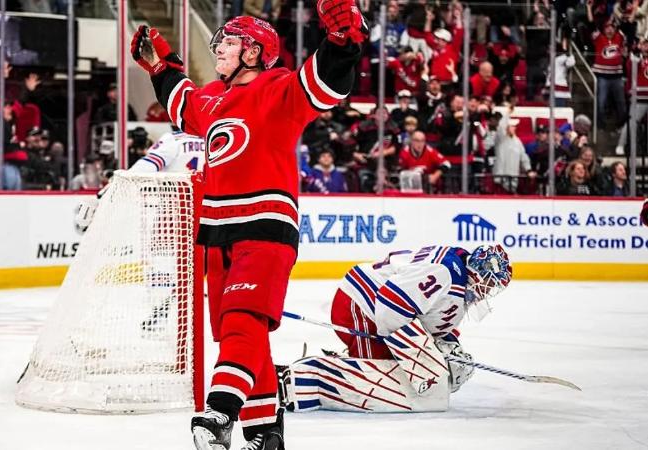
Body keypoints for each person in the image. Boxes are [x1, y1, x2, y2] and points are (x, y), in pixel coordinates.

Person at [130, 4, 364, 448]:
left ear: (255, 53)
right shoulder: (213, 98)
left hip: (265, 225)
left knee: (242, 319)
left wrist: (342, 41)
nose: (219, 48)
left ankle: (221, 413)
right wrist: (163, 67)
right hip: (216, 230)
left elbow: (326, 83)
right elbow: (182, 102)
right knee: (240, 335)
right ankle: (264, 432)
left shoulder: (280, 87)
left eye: (230, 42)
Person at [278, 244, 512, 413]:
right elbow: (391, 309)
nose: (488, 291)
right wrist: (423, 360)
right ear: (479, 272)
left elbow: (428, 322)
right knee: (385, 378)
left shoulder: (457, 278)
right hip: (360, 307)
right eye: (490, 283)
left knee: (427, 381)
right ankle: (304, 378)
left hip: (375, 311)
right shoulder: (446, 272)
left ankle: (345, 362)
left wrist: (445, 352)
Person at [74, 130, 206, 230]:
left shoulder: (174, 139)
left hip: (176, 215)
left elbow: (142, 170)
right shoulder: (217, 138)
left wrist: (102, 195)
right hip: (210, 214)